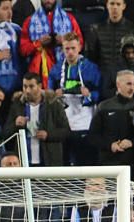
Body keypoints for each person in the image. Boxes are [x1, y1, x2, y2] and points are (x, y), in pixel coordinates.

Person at [48, 33, 101, 166]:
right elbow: (49, 94)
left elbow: (100, 93)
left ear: (79, 48)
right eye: (67, 49)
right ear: (62, 49)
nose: (70, 52)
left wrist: (89, 94)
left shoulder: (91, 68)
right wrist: (55, 94)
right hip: (64, 119)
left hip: (84, 119)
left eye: (73, 48)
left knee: (84, 159)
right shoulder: (56, 69)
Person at [4, 72, 71, 167]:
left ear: (39, 86)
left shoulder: (53, 105)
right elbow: (5, 133)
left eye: (31, 86)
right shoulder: (17, 105)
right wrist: (15, 124)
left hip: (49, 161)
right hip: (23, 162)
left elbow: (66, 131)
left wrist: (48, 135)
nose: (27, 90)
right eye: (25, 86)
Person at [19, 0, 84, 88]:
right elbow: (23, 50)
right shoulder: (29, 21)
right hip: (39, 73)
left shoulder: (69, 19)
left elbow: (80, 44)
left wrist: (65, 42)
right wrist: (38, 43)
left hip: (66, 71)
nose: (48, 1)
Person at [90, 69, 134, 175]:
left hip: (133, 166)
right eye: (129, 84)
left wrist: (132, 142)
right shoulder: (104, 106)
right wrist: (110, 145)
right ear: (118, 84)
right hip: (108, 164)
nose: (132, 88)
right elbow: (93, 136)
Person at [84, 0, 134, 76]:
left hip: (125, 79)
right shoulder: (96, 30)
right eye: (112, 4)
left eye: (118, 4)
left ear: (124, 6)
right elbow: (90, 59)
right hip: (102, 77)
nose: (115, 7)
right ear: (107, 5)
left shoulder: (132, 30)